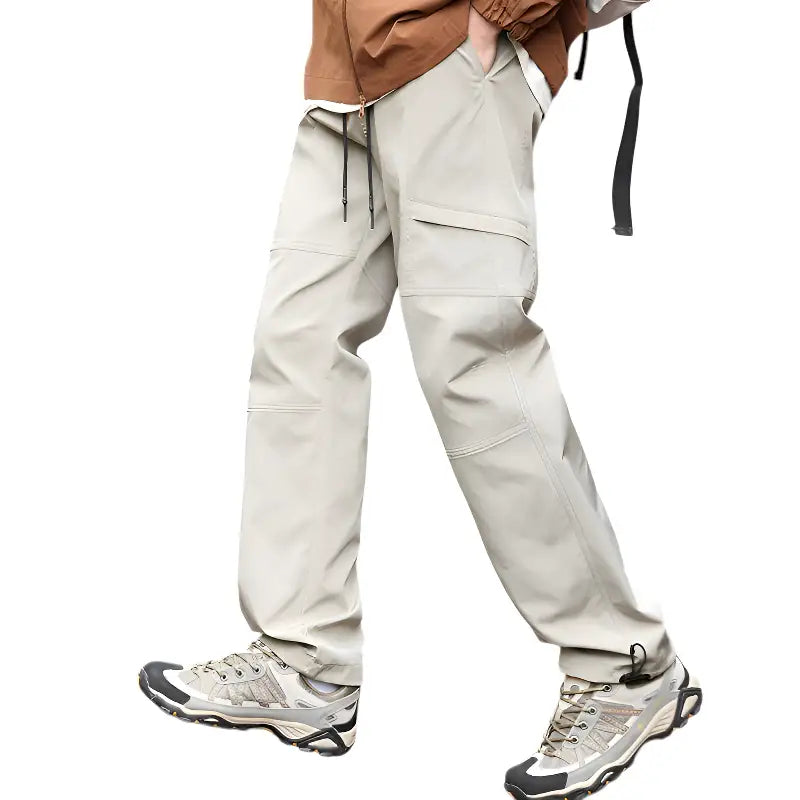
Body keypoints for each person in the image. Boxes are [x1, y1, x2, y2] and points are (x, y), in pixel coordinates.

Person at [139, 2, 702, 796]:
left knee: (474, 367)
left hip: (452, 52)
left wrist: (500, 14)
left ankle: (625, 667)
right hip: (348, 67)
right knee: (299, 345)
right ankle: (306, 662)